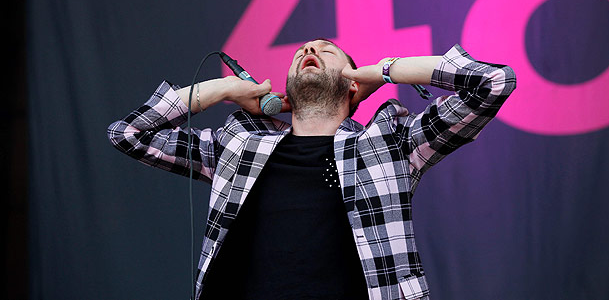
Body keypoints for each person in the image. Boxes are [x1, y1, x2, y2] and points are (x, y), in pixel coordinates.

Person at [107, 39, 516, 300]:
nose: (309, 51)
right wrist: (226, 89)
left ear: (353, 83)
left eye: (326, 51)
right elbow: (129, 134)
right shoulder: (239, 145)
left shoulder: (390, 142)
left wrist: (386, 70)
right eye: (301, 51)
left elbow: (493, 82)